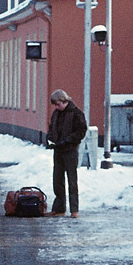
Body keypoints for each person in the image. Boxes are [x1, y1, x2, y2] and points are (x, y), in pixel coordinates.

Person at [46, 89, 87, 218]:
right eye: (55, 105)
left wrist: (67, 141)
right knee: (57, 179)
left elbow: (81, 131)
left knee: (72, 180)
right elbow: (52, 127)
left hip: (70, 150)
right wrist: (50, 138)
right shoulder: (56, 113)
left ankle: (74, 209)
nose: (56, 107)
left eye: (58, 104)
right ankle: (59, 208)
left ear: (65, 101)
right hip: (58, 149)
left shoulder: (76, 113)